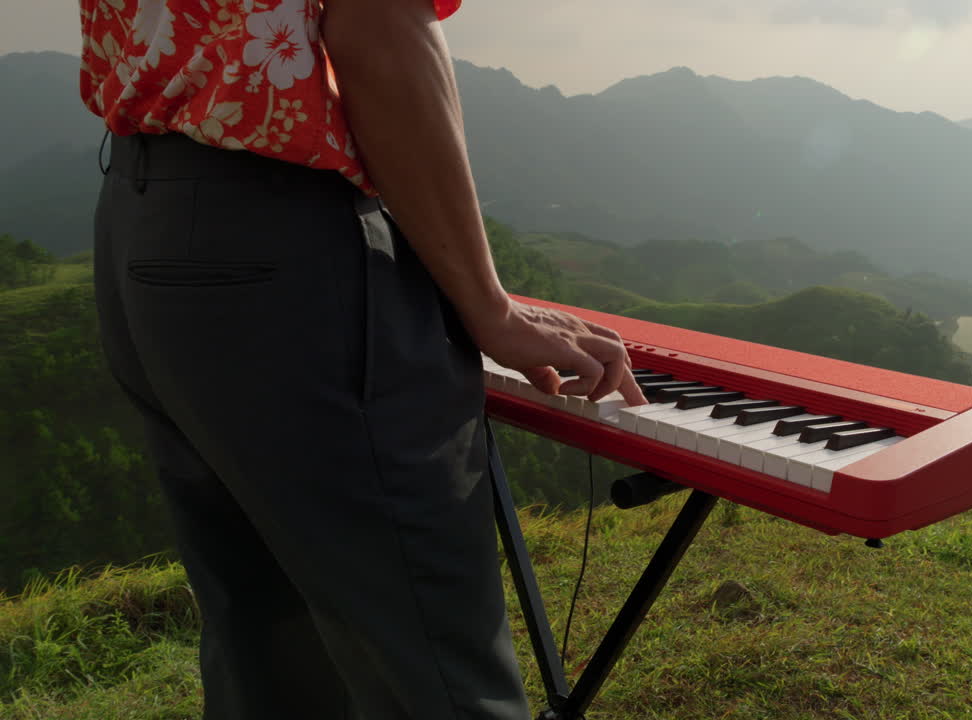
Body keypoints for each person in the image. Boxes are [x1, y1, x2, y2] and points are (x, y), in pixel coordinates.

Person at [80, 0, 646, 718]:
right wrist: (488, 307)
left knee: (268, 648)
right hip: (284, 245)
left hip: (146, 221)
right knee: (430, 674)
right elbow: (379, 28)